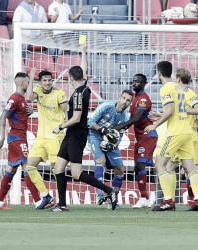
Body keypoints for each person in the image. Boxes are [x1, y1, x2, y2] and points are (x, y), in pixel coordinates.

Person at [49, 43, 119, 212]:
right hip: (72, 134)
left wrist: (60, 126)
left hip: (77, 133)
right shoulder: (84, 86)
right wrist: (83, 52)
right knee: (58, 167)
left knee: (76, 173)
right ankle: (62, 204)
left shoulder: (79, 94)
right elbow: (83, 69)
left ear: (70, 79)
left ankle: (109, 191)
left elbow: (77, 118)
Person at [148, 67, 198, 211]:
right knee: (190, 168)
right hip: (188, 132)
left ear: (159, 73)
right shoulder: (181, 91)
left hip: (176, 132)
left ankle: (168, 201)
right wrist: (160, 116)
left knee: (160, 165)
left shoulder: (168, 89)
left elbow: (172, 111)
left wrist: (155, 125)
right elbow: (175, 111)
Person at [0, 72, 44, 210]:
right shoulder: (14, 99)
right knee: (28, 167)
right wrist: (2, 137)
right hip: (17, 138)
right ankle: (39, 201)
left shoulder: (21, 99)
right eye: (28, 82)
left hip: (19, 137)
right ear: (23, 84)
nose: (30, 85)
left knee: (11, 169)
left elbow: (18, 115)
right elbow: (2, 117)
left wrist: (29, 112)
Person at [111, 74, 158, 209]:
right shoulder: (135, 98)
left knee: (141, 165)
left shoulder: (144, 99)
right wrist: (121, 128)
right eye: (133, 81)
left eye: (137, 82)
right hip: (140, 138)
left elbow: (137, 118)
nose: (134, 83)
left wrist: (120, 126)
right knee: (137, 167)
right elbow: (131, 117)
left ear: (143, 84)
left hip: (148, 136)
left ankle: (146, 198)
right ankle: (144, 199)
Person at [25, 68, 68, 210]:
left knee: (57, 170)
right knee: (30, 167)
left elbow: (65, 111)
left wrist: (66, 128)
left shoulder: (59, 93)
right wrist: (31, 78)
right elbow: (29, 98)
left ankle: (61, 201)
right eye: (44, 80)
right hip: (41, 137)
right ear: (40, 82)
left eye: (50, 80)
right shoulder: (37, 91)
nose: (48, 83)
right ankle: (46, 195)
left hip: (55, 137)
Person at [88, 89, 133, 210]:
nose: (125, 102)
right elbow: (90, 122)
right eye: (123, 98)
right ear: (120, 97)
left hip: (110, 141)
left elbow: (120, 136)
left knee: (120, 169)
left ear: (130, 103)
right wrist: (102, 130)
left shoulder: (125, 118)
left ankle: (113, 201)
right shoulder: (105, 106)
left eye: (128, 100)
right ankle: (100, 194)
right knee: (101, 160)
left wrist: (113, 145)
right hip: (95, 136)